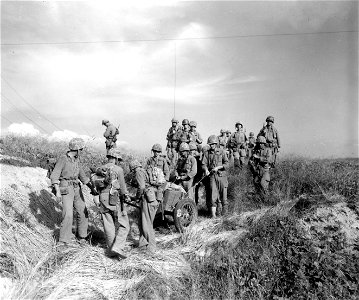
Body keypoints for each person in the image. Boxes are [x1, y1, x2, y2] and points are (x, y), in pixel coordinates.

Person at [50, 138, 97, 248]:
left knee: (82, 211)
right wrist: (57, 191)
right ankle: (63, 240)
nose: (82, 151)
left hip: (77, 188)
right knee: (68, 214)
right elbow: (55, 175)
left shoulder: (77, 160)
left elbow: (83, 177)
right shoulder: (63, 159)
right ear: (77, 149)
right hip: (65, 187)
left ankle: (82, 236)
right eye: (81, 149)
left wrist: (92, 188)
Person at [92, 148, 129, 258]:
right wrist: (126, 196)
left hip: (102, 197)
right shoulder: (118, 169)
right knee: (124, 224)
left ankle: (111, 250)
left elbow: (96, 185)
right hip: (114, 198)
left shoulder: (100, 169)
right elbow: (122, 189)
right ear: (116, 158)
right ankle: (118, 246)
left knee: (108, 224)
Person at [129, 159, 158, 252]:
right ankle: (142, 244)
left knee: (147, 224)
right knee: (142, 222)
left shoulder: (138, 172)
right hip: (149, 197)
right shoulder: (143, 171)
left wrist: (137, 197)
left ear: (133, 168)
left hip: (147, 199)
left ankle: (152, 247)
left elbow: (141, 187)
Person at [202, 135, 229, 218]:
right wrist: (206, 170)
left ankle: (225, 216)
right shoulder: (207, 153)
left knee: (223, 196)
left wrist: (218, 167)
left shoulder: (222, 152)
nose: (212, 146)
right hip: (212, 176)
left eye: (213, 144)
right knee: (213, 196)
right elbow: (203, 164)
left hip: (221, 176)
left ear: (216, 143)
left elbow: (227, 164)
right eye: (210, 144)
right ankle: (214, 216)